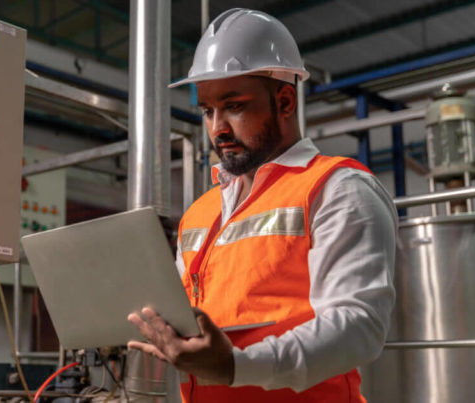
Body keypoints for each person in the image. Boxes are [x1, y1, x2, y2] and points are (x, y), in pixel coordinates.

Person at [127, 8, 397, 402]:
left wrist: (237, 366)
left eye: (234, 106)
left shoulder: (337, 188)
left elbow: (358, 326)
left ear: (285, 102)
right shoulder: (200, 213)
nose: (217, 128)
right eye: (207, 111)